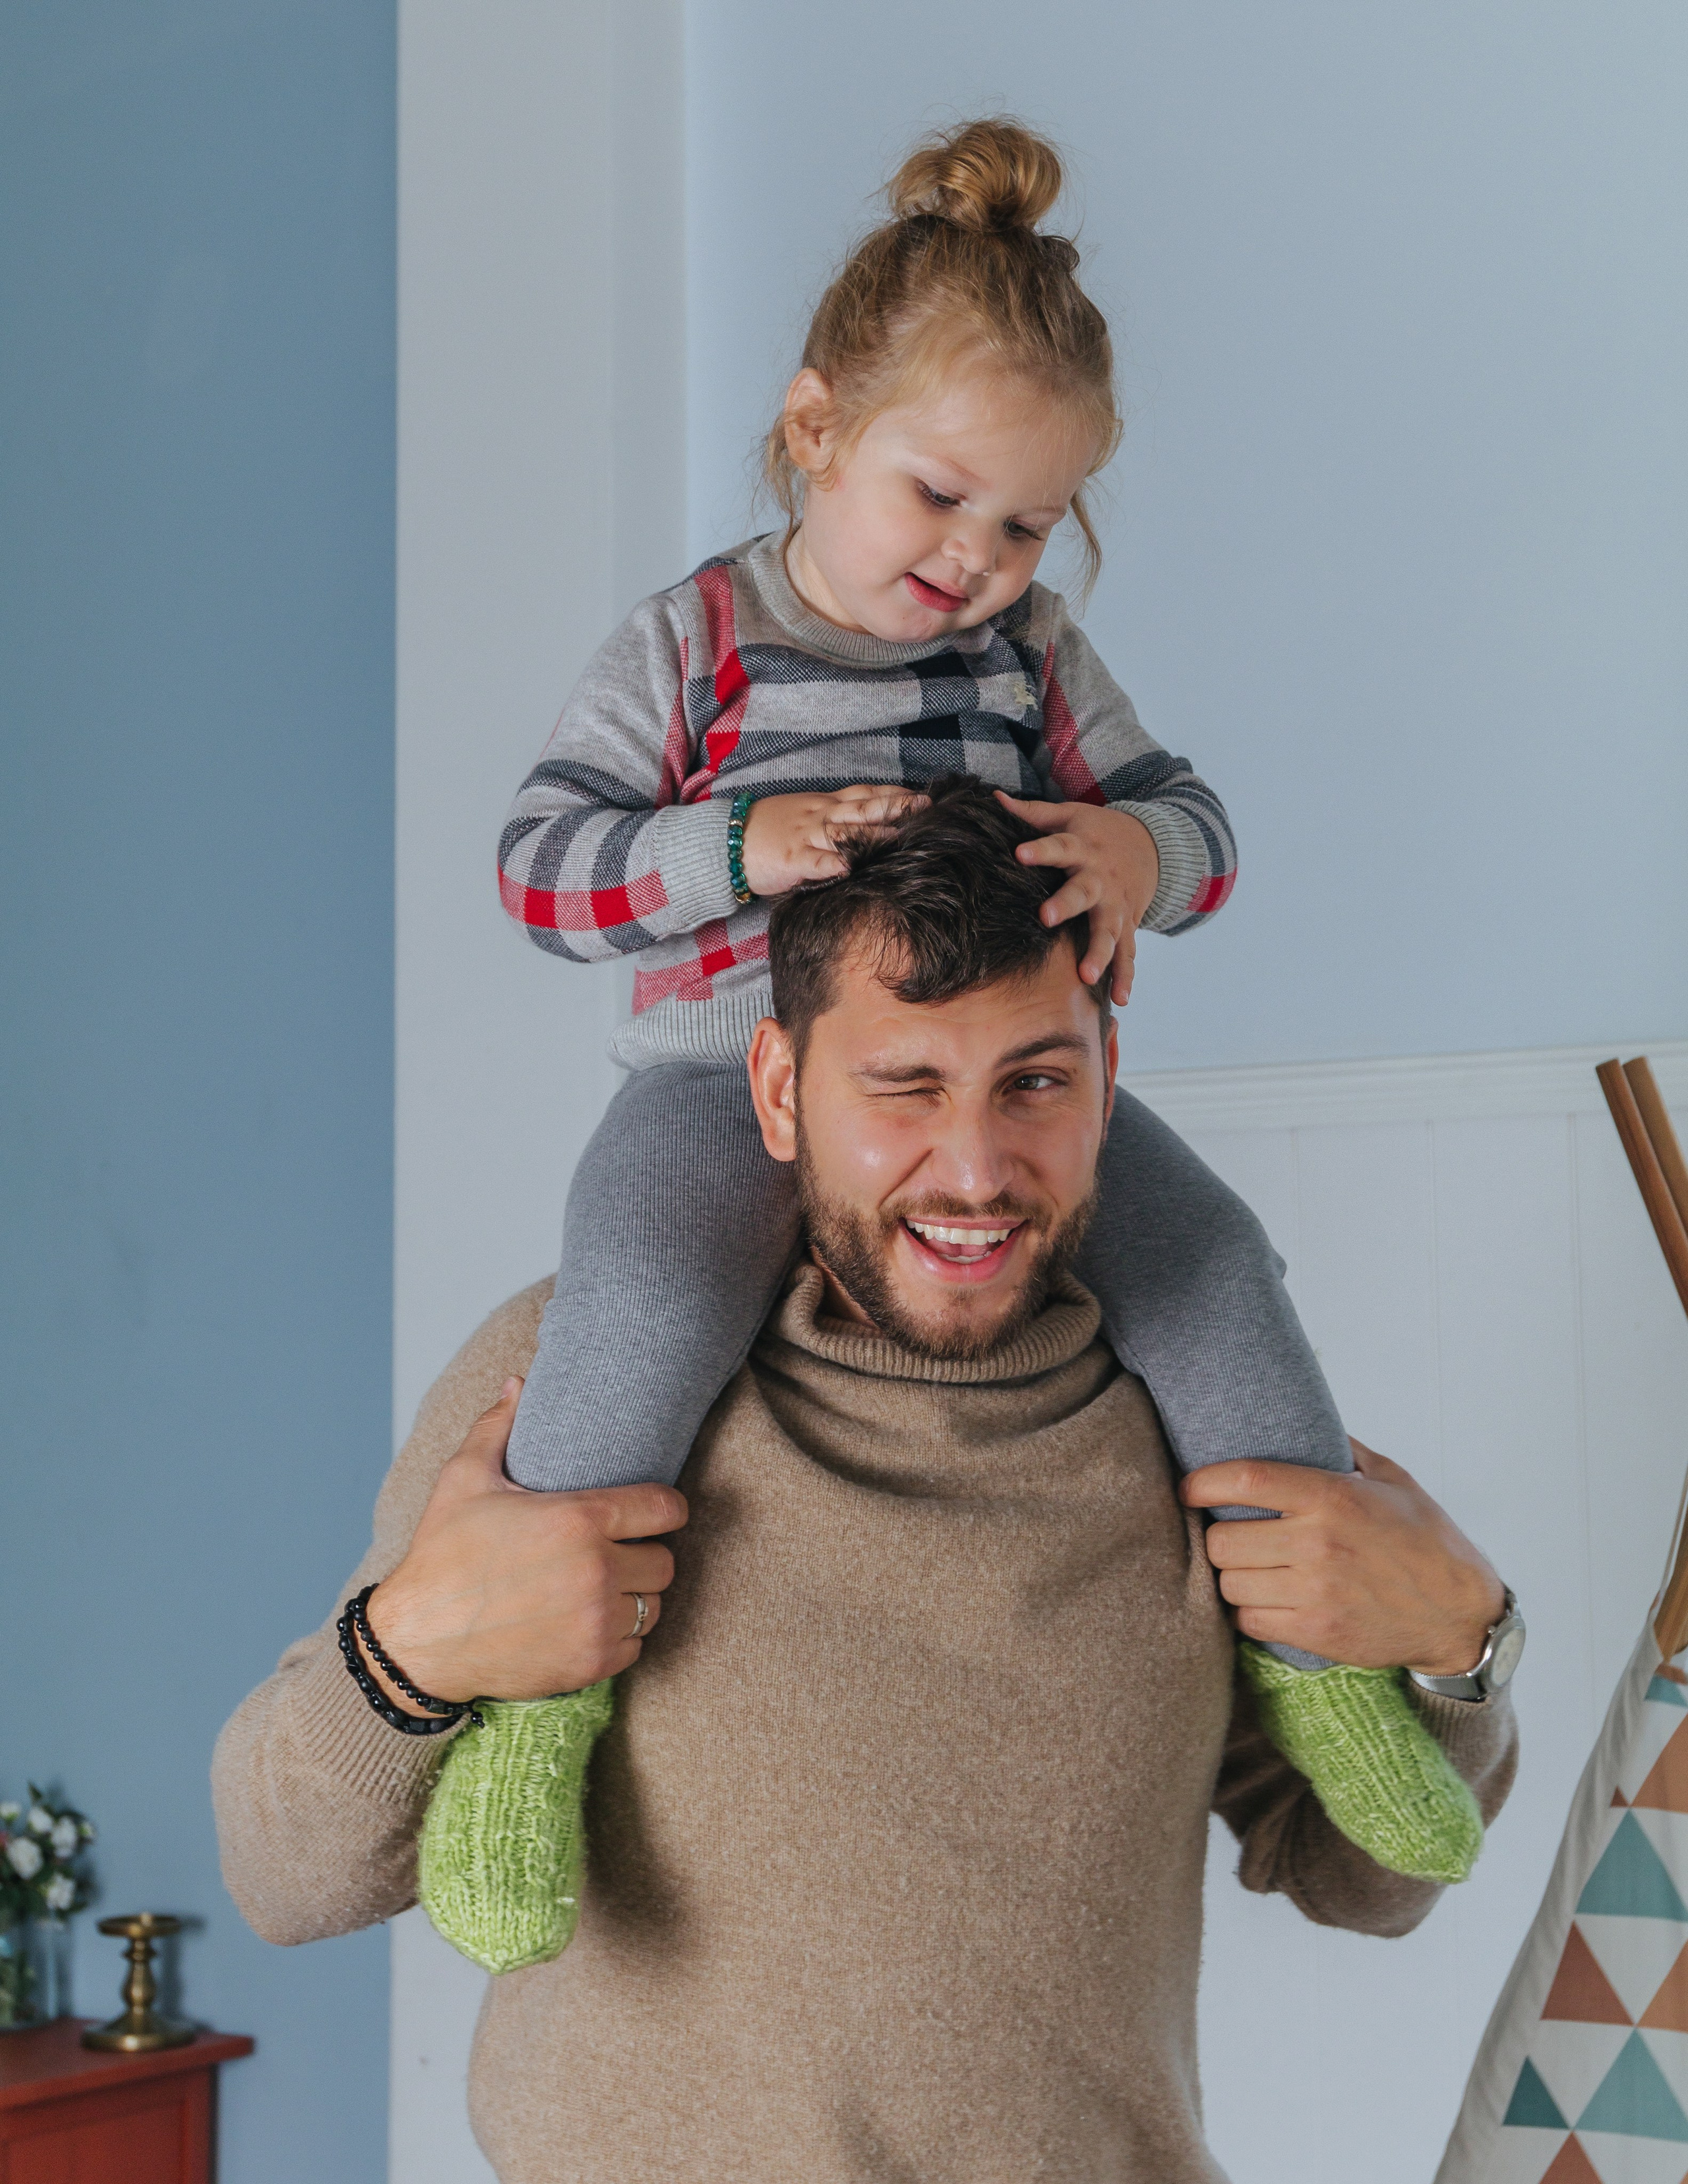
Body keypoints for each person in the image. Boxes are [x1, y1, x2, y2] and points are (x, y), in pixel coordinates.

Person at [435, 117, 1484, 1972]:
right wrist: (729, 849)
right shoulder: (697, 647)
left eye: (1026, 521)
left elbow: (1201, 826)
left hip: (1018, 1093)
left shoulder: (1033, 659)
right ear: (815, 427)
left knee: (1223, 1268)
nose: (980, 557)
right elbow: (537, 868)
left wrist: (1134, 853)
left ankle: (1323, 1673)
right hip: (712, 1084)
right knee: (638, 1302)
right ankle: (536, 1718)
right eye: (940, 496)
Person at [213, 780, 1520, 2183]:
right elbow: (284, 1879)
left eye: (1033, 1082)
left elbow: (1368, 1877)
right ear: (777, 1087)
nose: (972, 1169)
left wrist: (1464, 1645)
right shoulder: (571, 1385)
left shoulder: (1199, 1435)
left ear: (1106, 1079)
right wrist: (408, 1653)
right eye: (902, 1085)